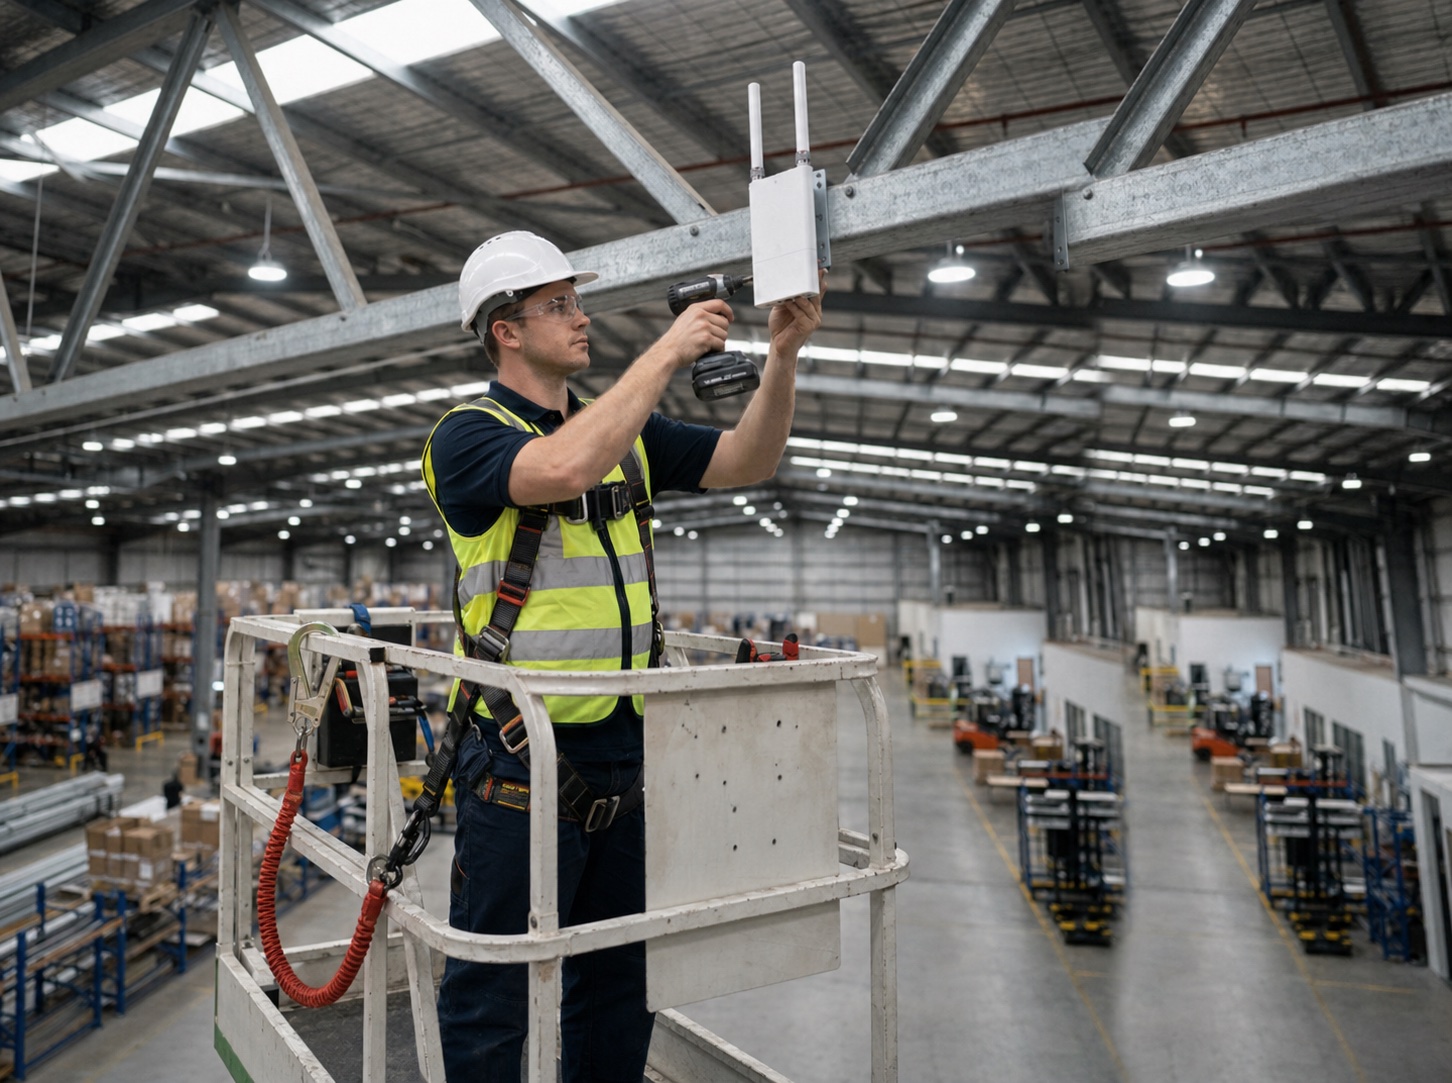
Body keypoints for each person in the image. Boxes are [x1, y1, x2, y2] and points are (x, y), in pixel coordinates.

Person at [422, 230, 824, 1083]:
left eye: (577, 300)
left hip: (626, 761)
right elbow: (562, 464)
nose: (580, 317)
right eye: (558, 304)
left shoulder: (628, 438)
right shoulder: (466, 437)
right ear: (505, 328)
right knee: (492, 991)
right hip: (519, 764)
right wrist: (671, 347)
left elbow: (748, 459)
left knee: (618, 982)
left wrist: (782, 357)